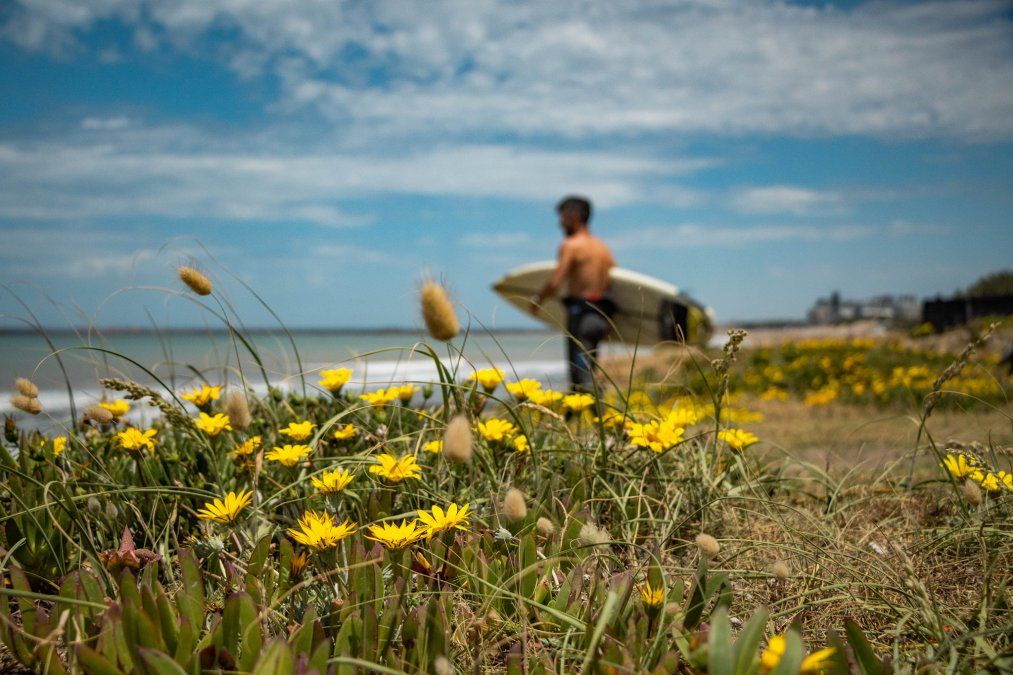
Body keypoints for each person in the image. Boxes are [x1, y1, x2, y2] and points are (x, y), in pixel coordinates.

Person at [529, 196, 617, 393]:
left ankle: (598, 420)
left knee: (581, 376)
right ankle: (582, 418)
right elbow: (615, 280)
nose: (560, 223)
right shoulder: (603, 248)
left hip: (582, 314)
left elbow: (555, 281)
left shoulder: (571, 245)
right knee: (590, 368)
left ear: (574, 215)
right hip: (602, 316)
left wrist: (537, 300)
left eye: (562, 217)